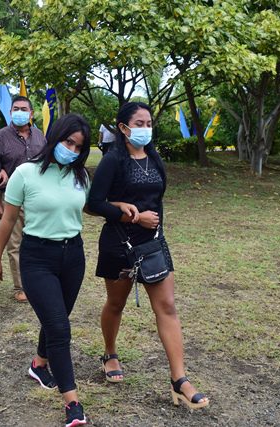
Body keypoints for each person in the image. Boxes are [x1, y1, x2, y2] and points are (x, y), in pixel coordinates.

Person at [87, 102, 209, 409]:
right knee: (116, 304)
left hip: (153, 244)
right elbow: (93, 204)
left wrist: (155, 231)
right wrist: (131, 215)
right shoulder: (112, 160)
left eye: (149, 123)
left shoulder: (154, 158)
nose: (145, 129)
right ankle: (110, 353)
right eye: (139, 123)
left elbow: (158, 199)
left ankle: (179, 379)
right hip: (120, 244)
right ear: (123, 128)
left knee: (167, 307)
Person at [0, 114, 92, 427]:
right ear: (55, 137)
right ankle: (72, 403)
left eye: (79, 147)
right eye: (68, 142)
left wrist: (124, 210)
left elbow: (90, 206)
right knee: (59, 327)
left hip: (73, 256)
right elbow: (8, 220)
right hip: (37, 258)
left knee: (56, 318)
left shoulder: (80, 176)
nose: (72, 150)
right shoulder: (25, 173)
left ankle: (39, 363)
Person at [0, 95, 46, 303]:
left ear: (31, 113)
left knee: (39, 241)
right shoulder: (0, 137)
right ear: (10, 112)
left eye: (24, 109)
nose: (20, 112)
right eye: (16, 109)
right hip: (12, 198)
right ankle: (21, 286)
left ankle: (39, 281)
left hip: (38, 197)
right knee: (16, 243)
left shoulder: (40, 137)